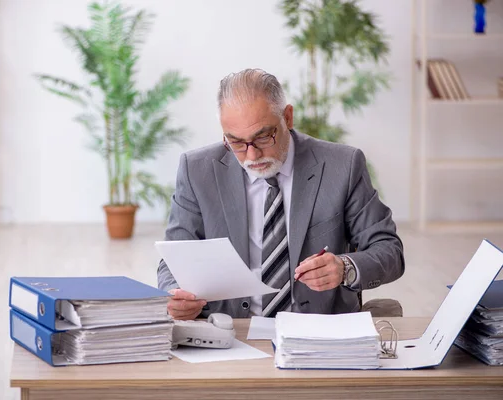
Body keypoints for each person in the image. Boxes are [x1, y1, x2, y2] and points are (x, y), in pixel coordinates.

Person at [157, 68, 404, 320]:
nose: (252, 156)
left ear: (287, 117)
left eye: (263, 137)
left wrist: (345, 268)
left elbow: (389, 250)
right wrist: (173, 294)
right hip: (228, 331)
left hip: (319, 330)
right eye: (236, 143)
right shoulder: (197, 171)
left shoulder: (342, 166)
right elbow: (174, 259)